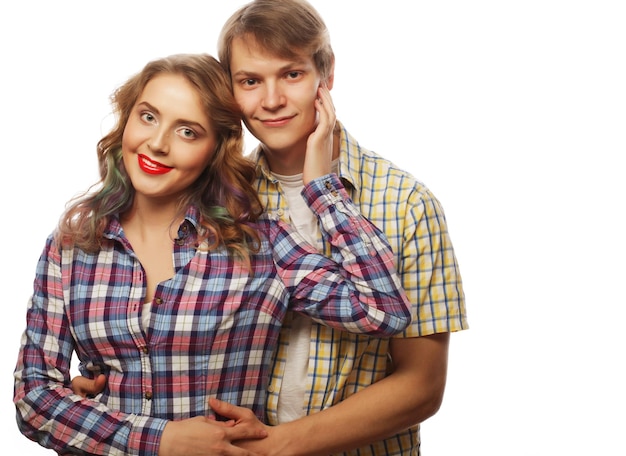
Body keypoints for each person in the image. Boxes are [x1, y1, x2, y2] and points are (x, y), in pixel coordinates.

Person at [13, 52, 413, 456]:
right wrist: (160, 440)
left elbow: (383, 310)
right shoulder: (72, 246)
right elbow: (33, 397)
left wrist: (323, 189)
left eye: (188, 132)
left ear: (216, 149)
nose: (157, 143)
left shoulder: (260, 243)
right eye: (148, 117)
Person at [208, 1, 469, 454]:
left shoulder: (407, 203)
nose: (271, 100)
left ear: (326, 76)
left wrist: (279, 444)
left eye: (291, 74)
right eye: (250, 81)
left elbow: (422, 385)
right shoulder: (221, 201)